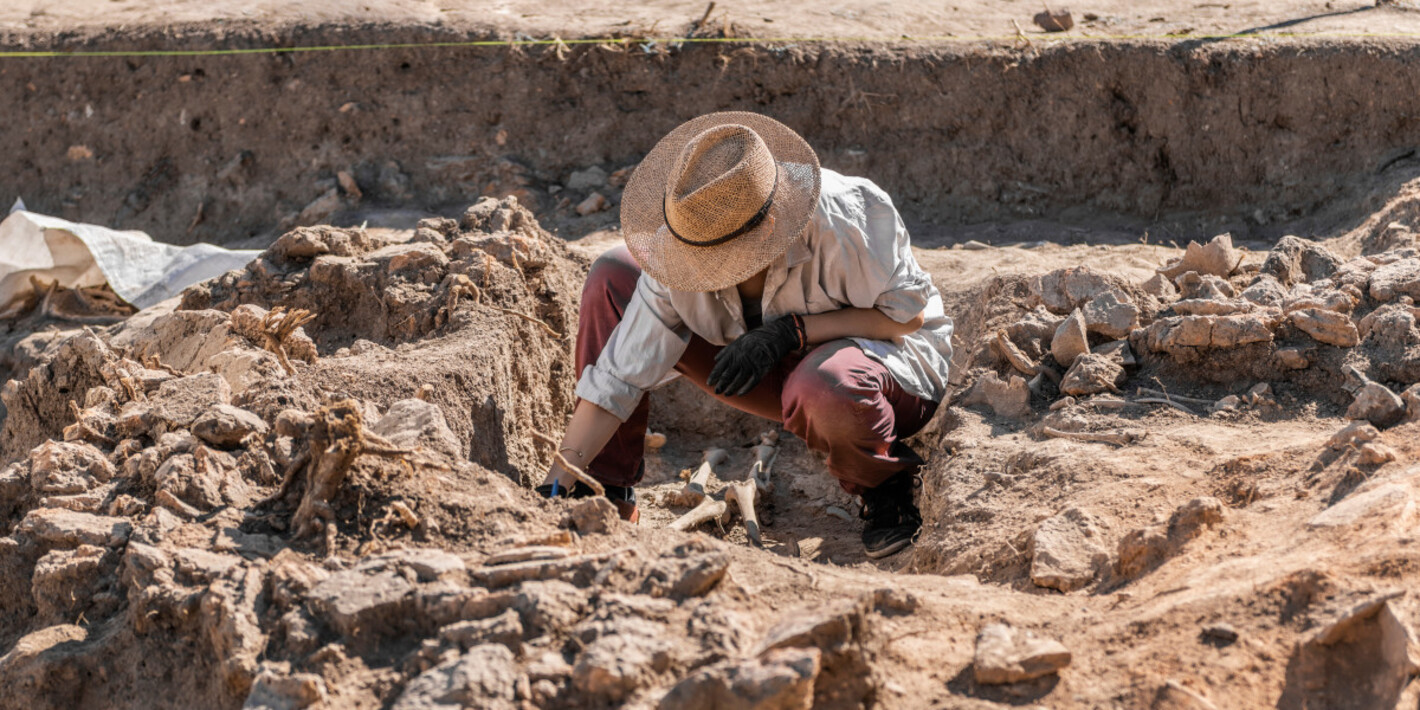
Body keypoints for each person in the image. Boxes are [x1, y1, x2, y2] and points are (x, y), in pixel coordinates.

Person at [537, 111, 953, 559]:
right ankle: (603, 491)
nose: (698, 272)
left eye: (719, 259)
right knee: (614, 273)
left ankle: (884, 483)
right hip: (768, 371)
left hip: (885, 371)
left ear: (768, 229)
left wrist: (792, 332)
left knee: (825, 383)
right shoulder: (686, 238)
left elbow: (906, 317)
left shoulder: (848, 217)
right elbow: (619, 372)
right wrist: (562, 476)